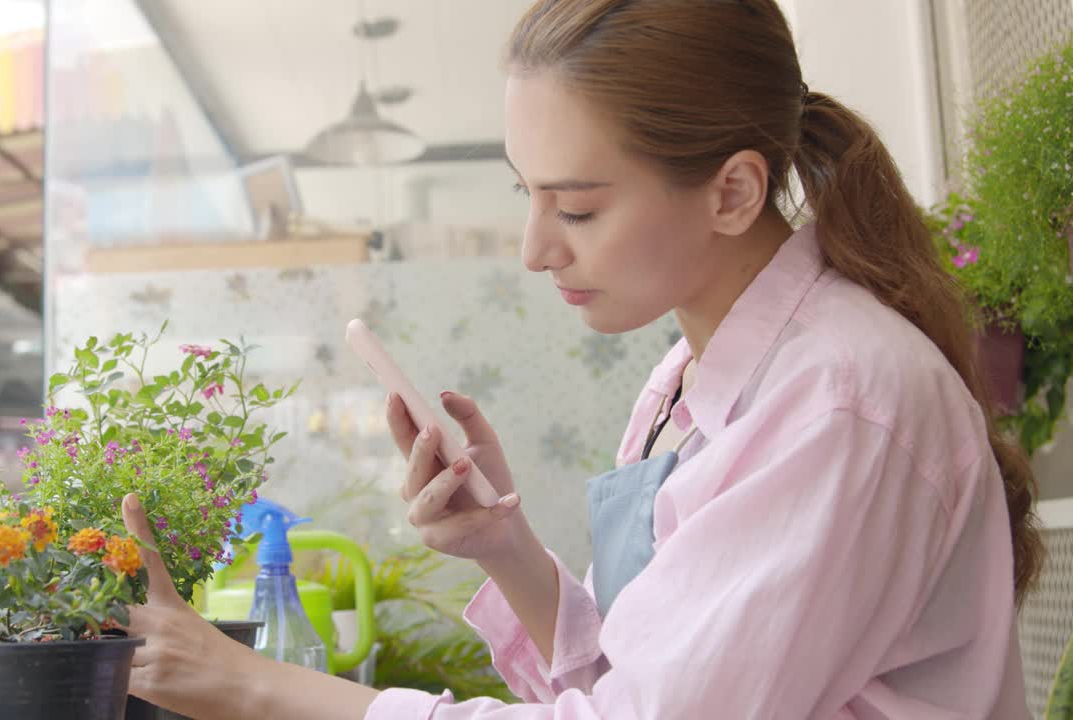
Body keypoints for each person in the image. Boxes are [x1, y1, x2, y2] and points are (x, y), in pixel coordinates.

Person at [117, 0, 1042, 717]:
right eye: (528, 194)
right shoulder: (683, 379)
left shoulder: (840, 401)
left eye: (579, 207)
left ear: (733, 191)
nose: (535, 249)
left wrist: (253, 688)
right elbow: (632, 680)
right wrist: (506, 550)